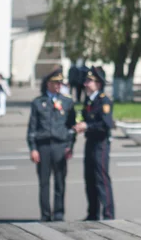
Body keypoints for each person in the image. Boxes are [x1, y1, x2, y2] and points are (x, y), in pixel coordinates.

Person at [27, 67, 76, 222]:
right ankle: (46, 215)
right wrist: (33, 148)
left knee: (60, 182)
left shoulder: (67, 102)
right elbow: (32, 128)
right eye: (55, 82)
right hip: (43, 147)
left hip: (60, 146)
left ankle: (59, 214)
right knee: (44, 183)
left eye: (60, 83)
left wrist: (70, 146)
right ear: (48, 83)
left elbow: (71, 127)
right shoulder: (38, 103)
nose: (58, 85)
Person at [74, 66, 115, 221]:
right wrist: (80, 123)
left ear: (98, 83)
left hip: (101, 144)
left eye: (89, 81)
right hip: (90, 142)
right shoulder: (89, 100)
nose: (86, 84)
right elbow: (85, 117)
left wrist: (87, 126)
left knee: (101, 179)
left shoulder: (104, 101)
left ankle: (109, 215)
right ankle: (93, 214)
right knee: (89, 179)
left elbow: (106, 125)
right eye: (86, 81)